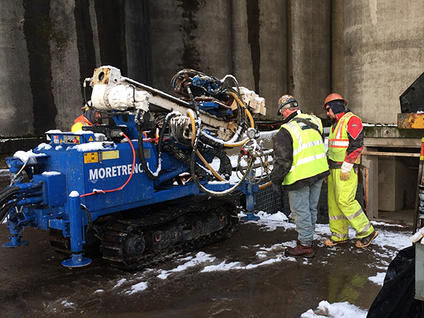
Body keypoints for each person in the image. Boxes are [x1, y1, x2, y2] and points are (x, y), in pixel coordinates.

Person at [271, 95, 329, 257]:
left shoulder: (286, 131)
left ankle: (305, 245)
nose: (282, 115)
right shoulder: (315, 120)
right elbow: (317, 142)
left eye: (282, 112)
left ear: (285, 110)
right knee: (311, 208)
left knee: (301, 210)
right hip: (318, 171)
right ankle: (307, 237)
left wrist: (276, 180)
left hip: (300, 176)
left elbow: (283, 161)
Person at [323, 93, 378, 248]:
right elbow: (333, 148)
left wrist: (347, 166)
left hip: (345, 169)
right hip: (334, 169)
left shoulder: (352, 120)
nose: (327, 113)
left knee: (345, 201)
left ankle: (367, 232)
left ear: (336, 106)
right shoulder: (336, 123)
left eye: (328, 109)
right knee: (334, 204)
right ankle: (339, 236)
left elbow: (357, 145)